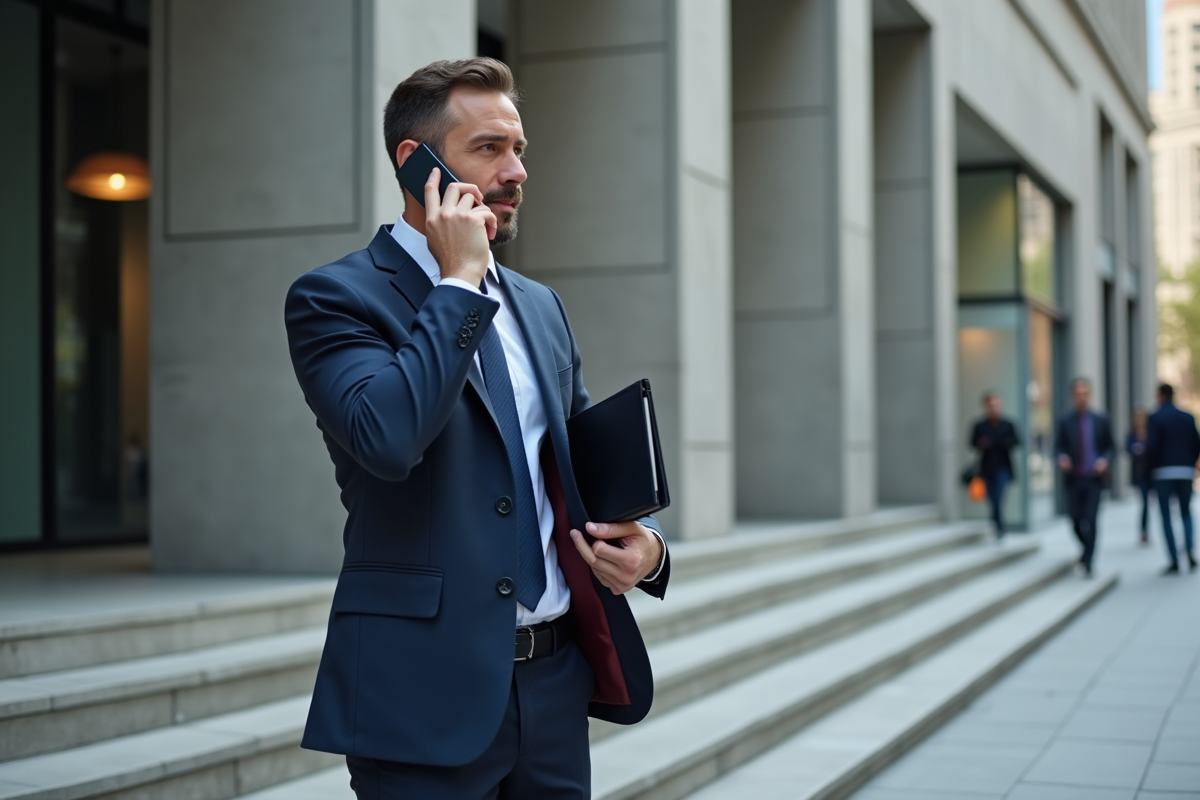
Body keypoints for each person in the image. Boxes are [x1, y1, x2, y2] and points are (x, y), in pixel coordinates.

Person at [284, 58, 670, 798]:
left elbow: (576, 467)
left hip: (556, 685)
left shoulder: (540, 304)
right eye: (489, 149)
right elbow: (388, 439)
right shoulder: (334, 298)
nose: (516, 171)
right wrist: (459, 281)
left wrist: (647, 547)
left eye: (518, 149)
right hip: (422, 690)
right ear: (416, 162)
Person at [1054, 378, 1115, 577]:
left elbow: (1110, 447)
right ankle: (1085, 548)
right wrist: (1062, 457)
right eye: (1078, 394)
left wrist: (1104, 460)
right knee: (1075, 519)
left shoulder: (1101, 420)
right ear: (1073, 396)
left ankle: (1088, 561)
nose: (1081, 397)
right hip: (1074, 478)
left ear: (1089, 394)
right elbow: (1058, 447)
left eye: (1084, 394)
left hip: (1094, 478)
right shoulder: (1065, 421)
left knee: (1091, 518)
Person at [1145, 383, 1200, 575]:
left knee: (1166, 516)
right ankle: (1189, 550)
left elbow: (1151, 447)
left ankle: (1174, 559)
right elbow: (1197, 443)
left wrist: (1149, 470)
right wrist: (1190, 463)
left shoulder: (1155, 417)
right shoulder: (1187, 417)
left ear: (1160, 396)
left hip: (1163, 473)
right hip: (1184, 471)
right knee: (1186, 512)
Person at [970, 391, 1020, 540]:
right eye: (991, 405)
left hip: (1003, 467)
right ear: (986, 406)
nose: (994, 408)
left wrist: (1003, 443)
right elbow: (972, 443)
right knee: (991, 498)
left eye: (996, 405)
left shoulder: (1008, 425)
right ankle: (997, 523)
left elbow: (1016, 441)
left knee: (998, 497)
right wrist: (982, 444)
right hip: (986, 468)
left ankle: (998, 525)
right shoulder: (980, 426)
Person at [1126, 406, 1152, 545]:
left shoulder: (1151, 432)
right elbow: (1127, 448)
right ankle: (1144, 531)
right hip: (1140, 473)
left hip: (1151, 472)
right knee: (1145, 502)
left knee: (1150, 503)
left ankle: (1146, 530)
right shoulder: (1132, 434)